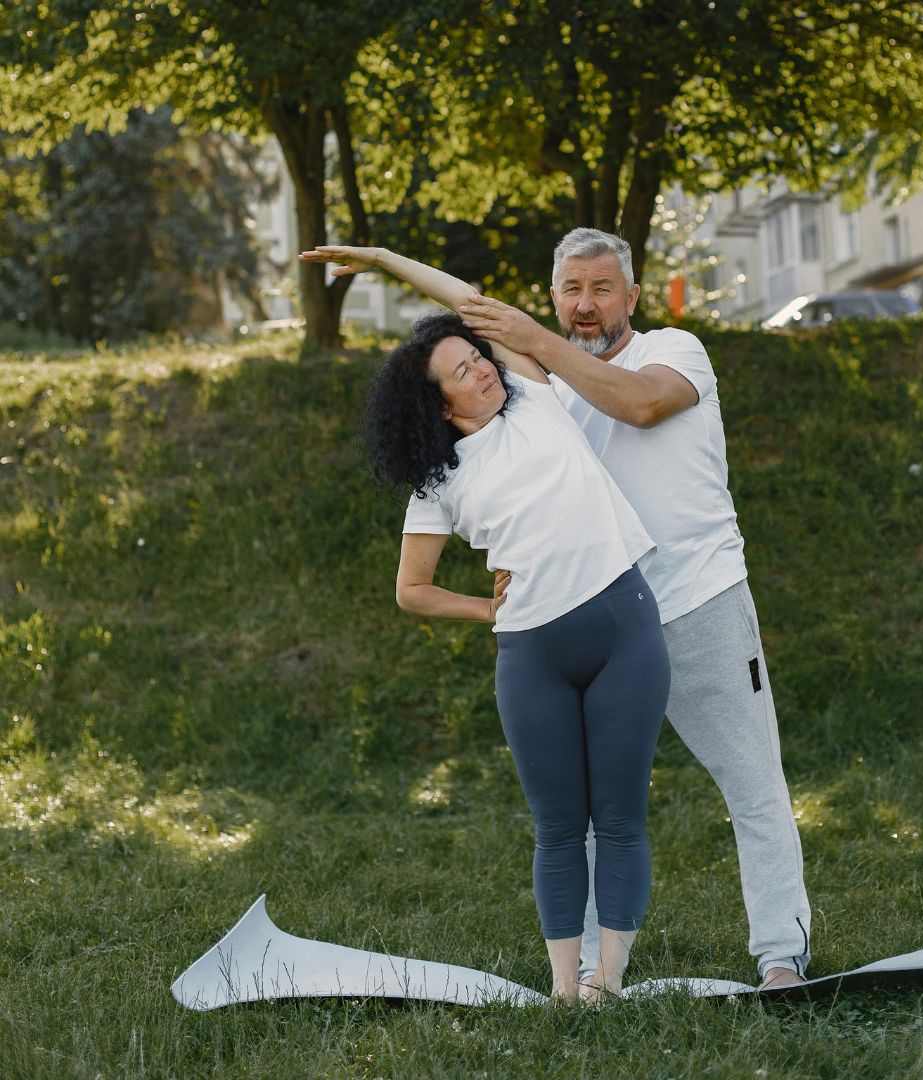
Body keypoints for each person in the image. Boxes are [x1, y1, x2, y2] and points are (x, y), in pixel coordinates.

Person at [299, 244, 671, 1001]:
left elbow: (471, 300)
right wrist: (483, 608)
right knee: (560, 827)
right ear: (439, 405)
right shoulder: (438, 486)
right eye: (464, 370)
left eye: (479, 358)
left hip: (623, 626)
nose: (483, 369)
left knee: (621, 817)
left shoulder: (535, 392)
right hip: (532, 653)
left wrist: (381, 258)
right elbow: (411, 589)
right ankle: (566, 989)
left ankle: (609, 980)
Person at [459, 228, 812, 989]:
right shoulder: (541, 394)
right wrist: (386, 263)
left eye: (602, 289)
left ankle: (781, 954)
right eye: (571, 291)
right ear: (553, 296)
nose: (586, 306)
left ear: (632, 296)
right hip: (604, 615)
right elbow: (473, 337)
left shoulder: (673, 352)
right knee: (585, 811)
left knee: (753, 783)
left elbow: (644, 407)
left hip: (700, 601)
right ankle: (589, 970)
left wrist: (537, 343)